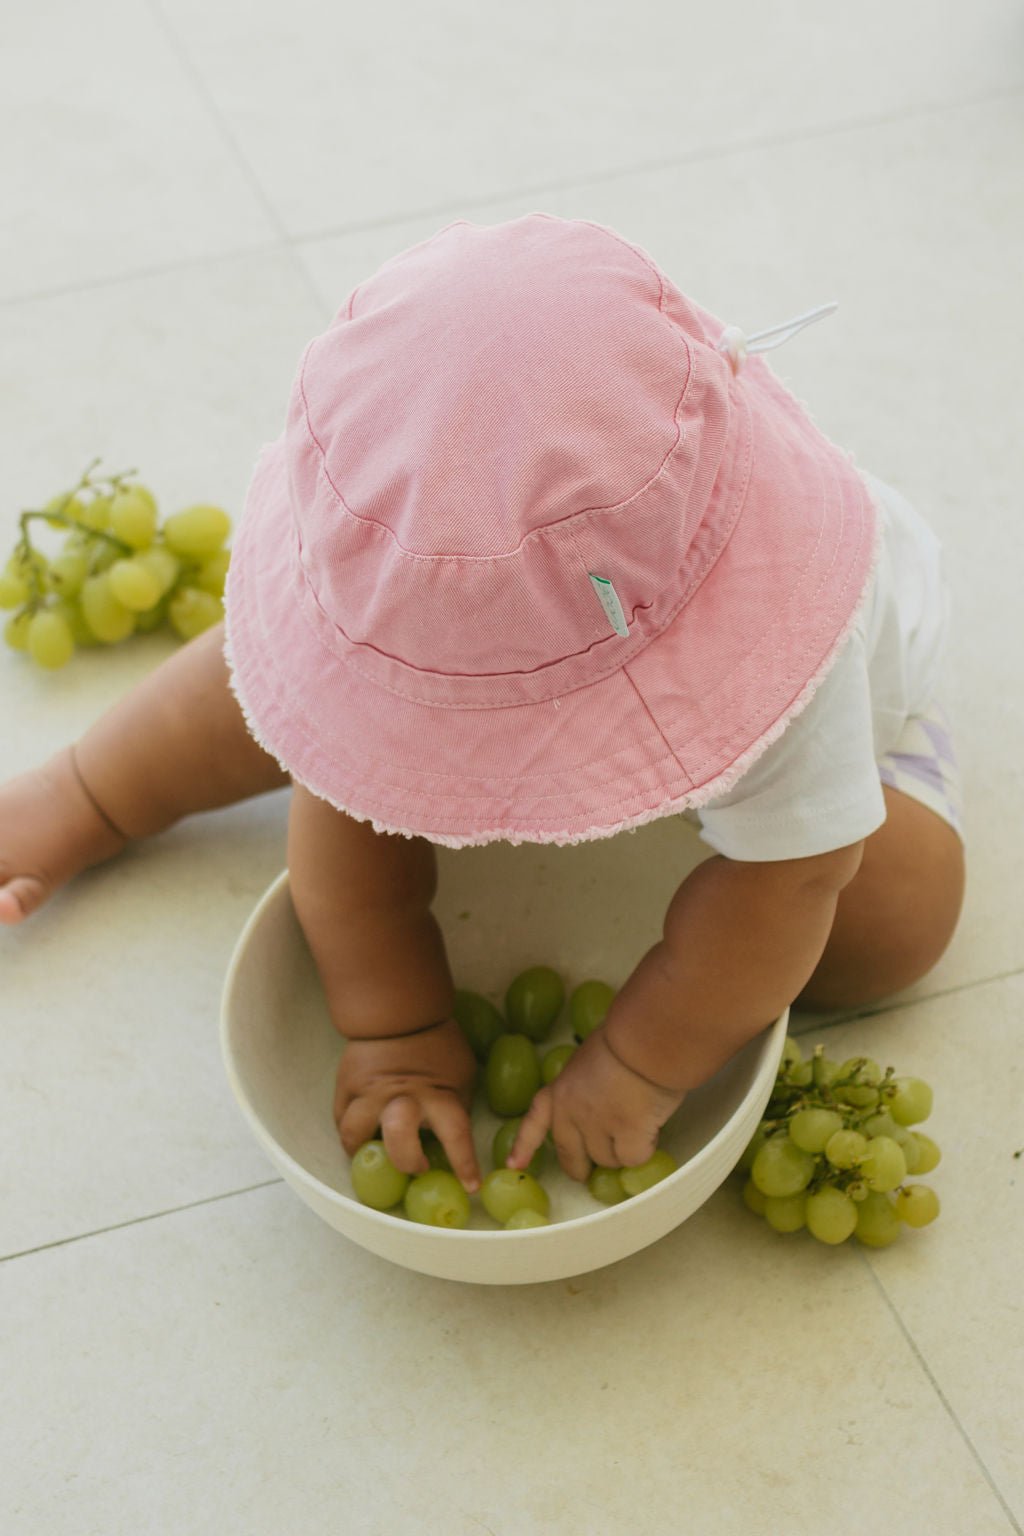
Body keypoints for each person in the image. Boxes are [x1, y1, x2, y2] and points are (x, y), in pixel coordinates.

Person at [0, 214, 965, 1195]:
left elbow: (792, 883)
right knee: (276, 688)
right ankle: (83, 791)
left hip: (797, 693)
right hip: (511, 611)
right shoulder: (398, 526)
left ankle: (733, 817)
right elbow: (338, 813)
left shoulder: (794, 649)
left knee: (889, 924)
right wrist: (399, 1030)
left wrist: (636, 1064)